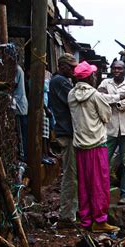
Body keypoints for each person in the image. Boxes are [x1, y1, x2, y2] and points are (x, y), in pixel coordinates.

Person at [68, 61, 119, 233]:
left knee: (84, 184)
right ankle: (99, 220)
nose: (95, 76)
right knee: (99, 184)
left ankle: (86, 219)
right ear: (90, 77)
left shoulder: (71, 95)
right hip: (97, 145)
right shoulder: (96, 96)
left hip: (80, 146)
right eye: (93, 74)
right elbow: (106, 116)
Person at [97, 60, 125, 205]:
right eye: (114, 68)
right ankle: (103, 192)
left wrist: (112, 101)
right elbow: (99, 98)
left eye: (120, 68)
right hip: (110, 129)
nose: (116, 70)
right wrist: (118, 97)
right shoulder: (105, 83)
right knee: (103, 162)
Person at [49, 53, 78, 224]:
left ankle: (71, 211)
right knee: (70, 175)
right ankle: (67, 215)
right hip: (66, 133)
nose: (74, 70)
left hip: (67, 132)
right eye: (71, 67)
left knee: (72, 174)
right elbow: (76, 99)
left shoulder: (62, 80)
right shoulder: (59, 81)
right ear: (62, 66)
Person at [12, 64, 29, 161]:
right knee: (22, 131)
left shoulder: (16, 69)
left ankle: (23, 156)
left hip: (19, 106)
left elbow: (12, 84)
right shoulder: (19, 69)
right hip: (20, 104)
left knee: (21, 132)